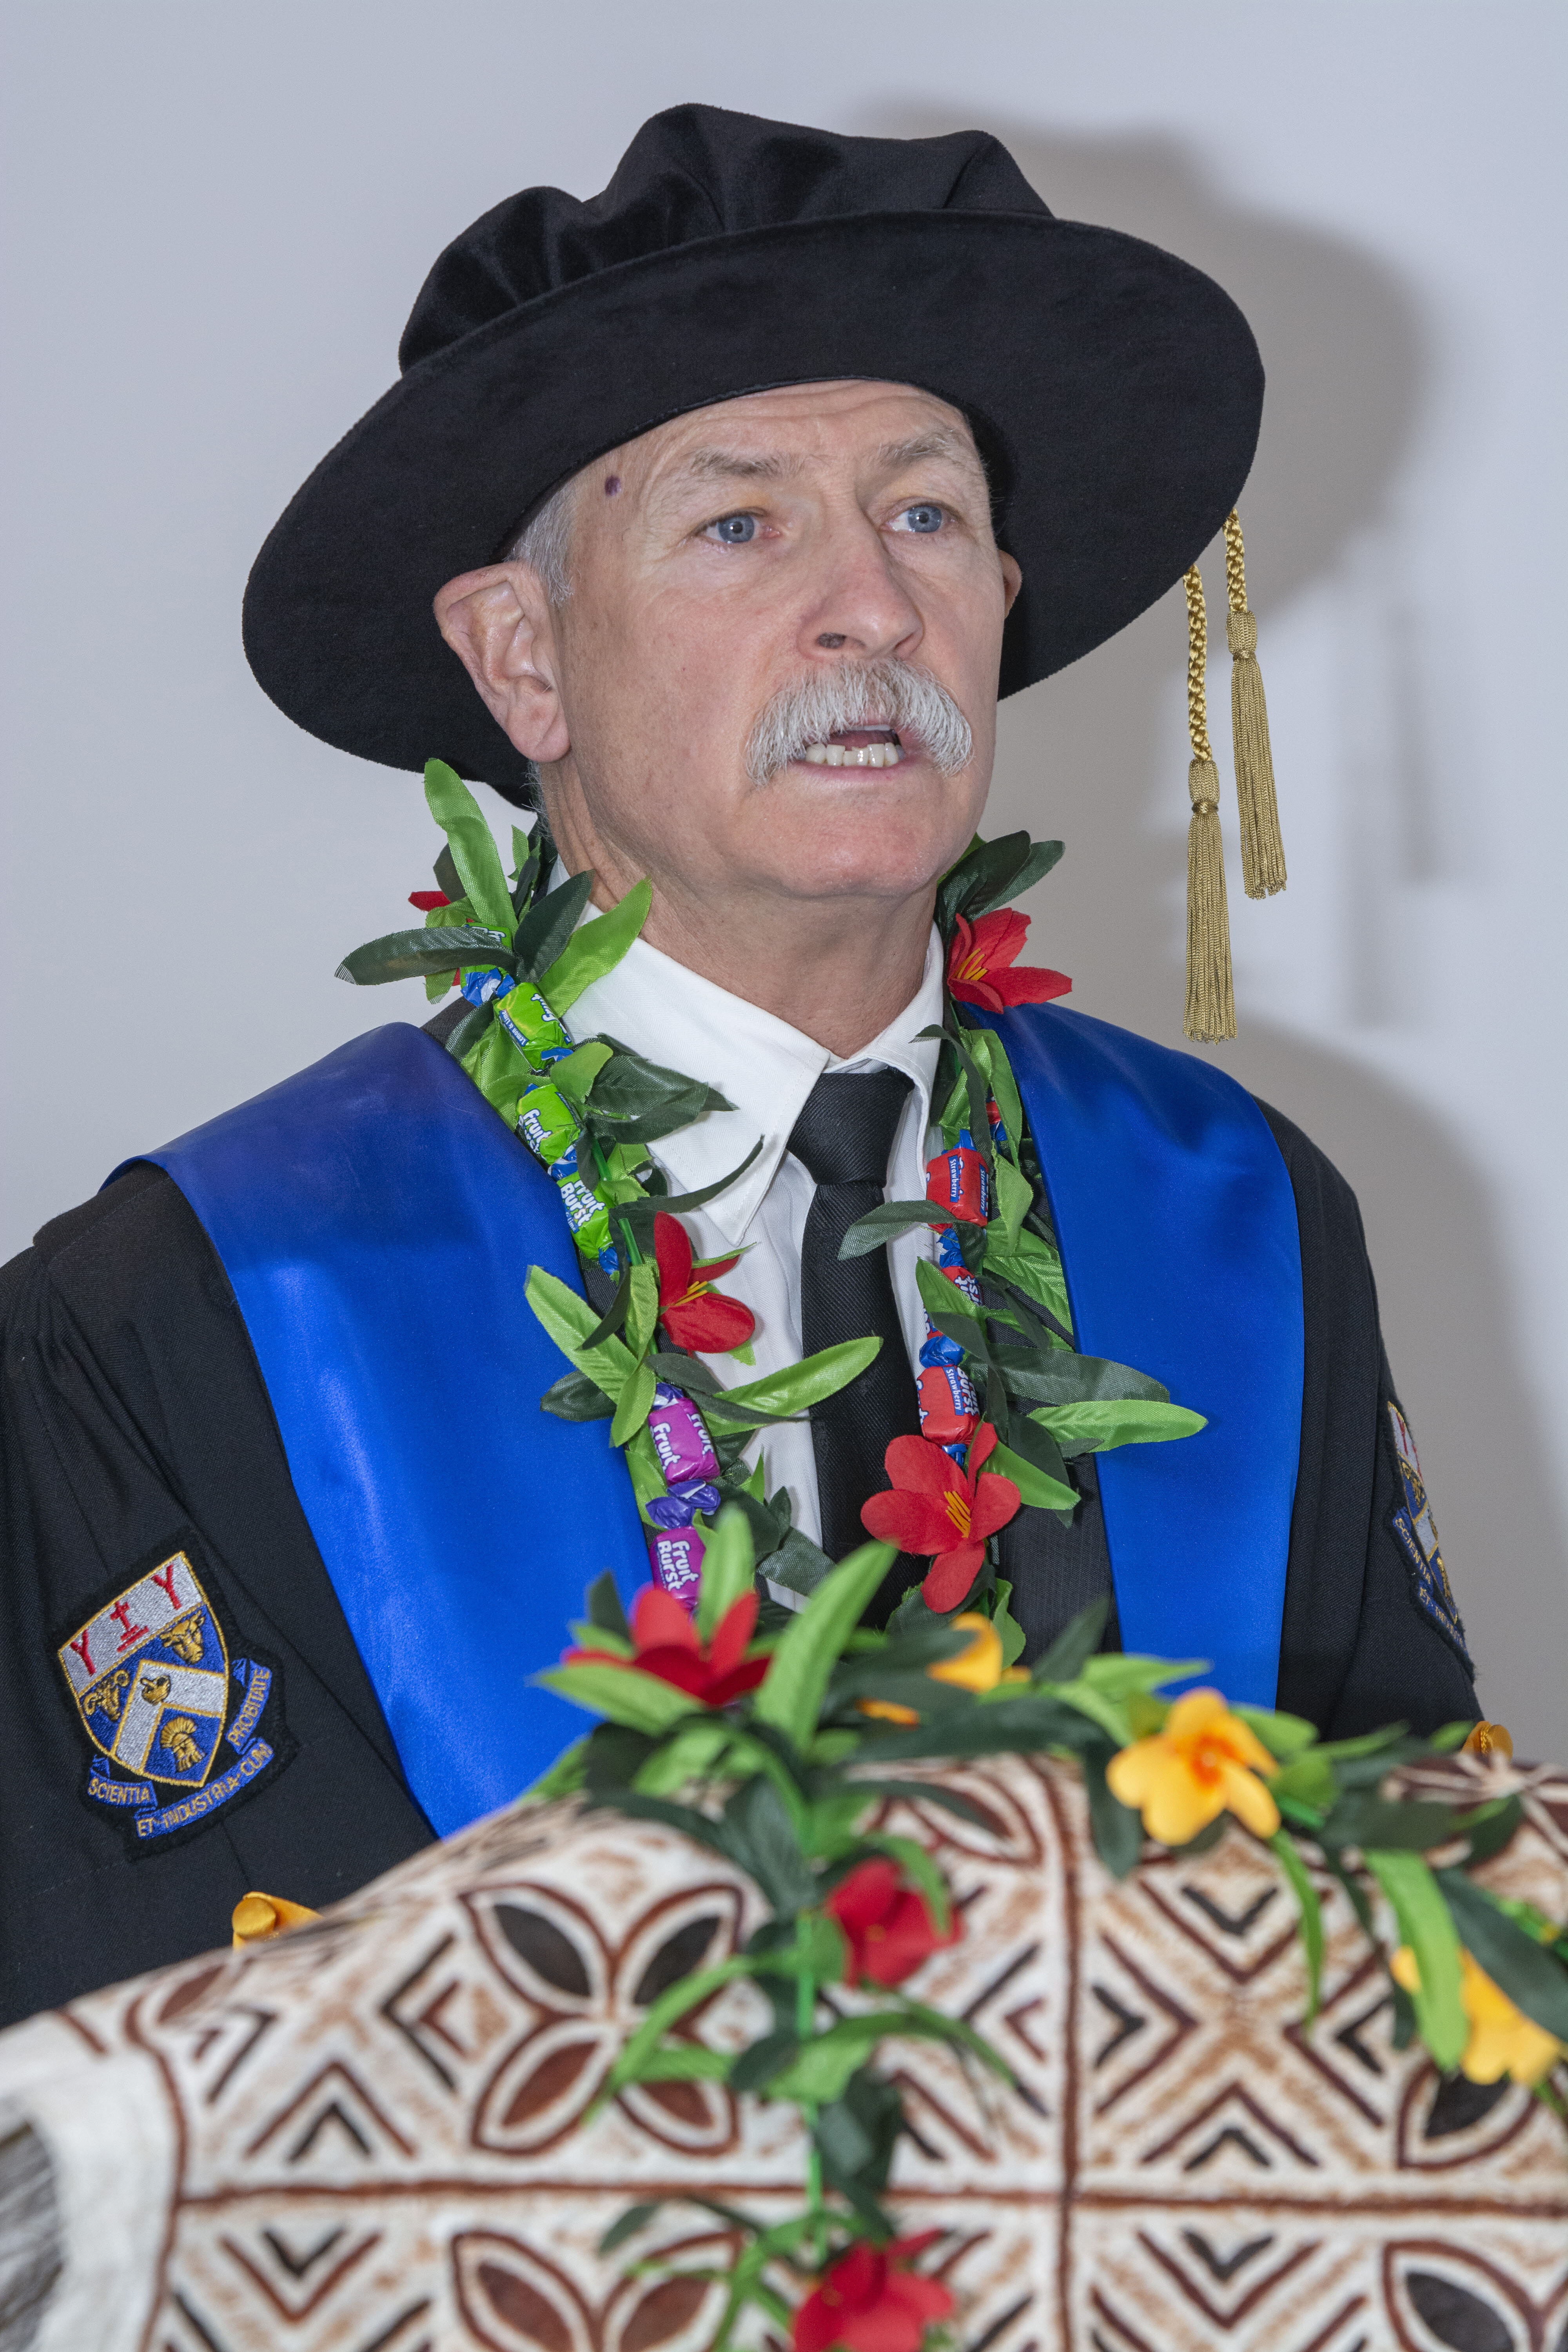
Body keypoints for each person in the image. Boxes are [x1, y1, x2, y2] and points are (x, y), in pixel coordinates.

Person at [0, 105, 1479, 2028]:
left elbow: (1419, 1933)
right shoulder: (186, 1315)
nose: (874, 606)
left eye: (927, 513)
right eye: (740, 520)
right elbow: (145, 2106)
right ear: (523, 660)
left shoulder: (1238, 1220)